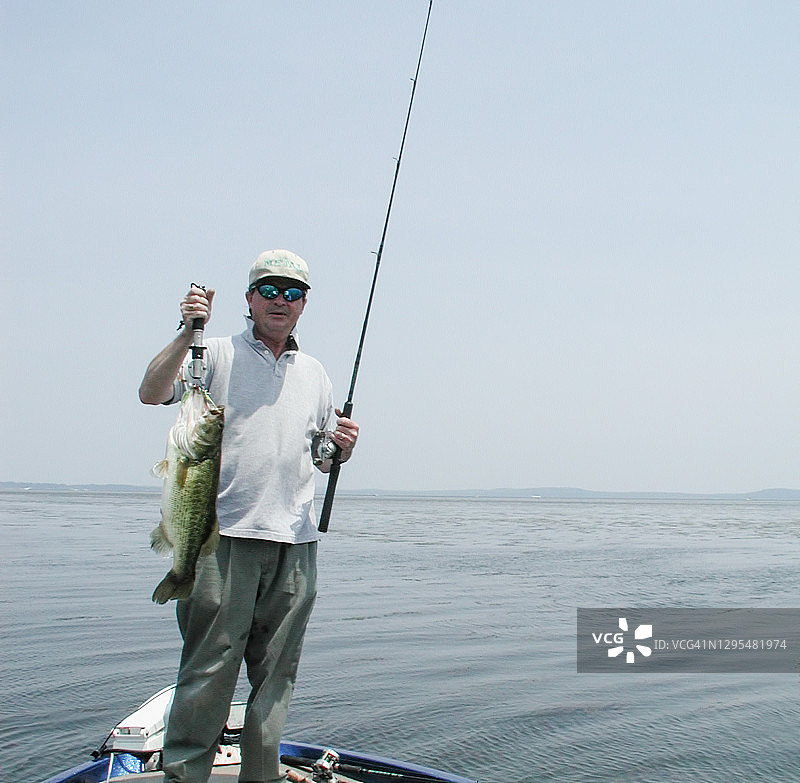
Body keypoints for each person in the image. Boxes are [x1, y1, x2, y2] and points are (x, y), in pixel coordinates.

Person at [139, 249, 359, 783]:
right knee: (208, 675)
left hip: (296, 545)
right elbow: (151, 392)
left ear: (304, 304)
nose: (280, 301)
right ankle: (185, 776)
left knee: (277, 680)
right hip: (220, 542)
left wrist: (340, 451)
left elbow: (320, 455)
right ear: (249, 299)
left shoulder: (316, 374)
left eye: (292, 292)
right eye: (269, 290)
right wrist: (186, 329)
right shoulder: (211, 354)